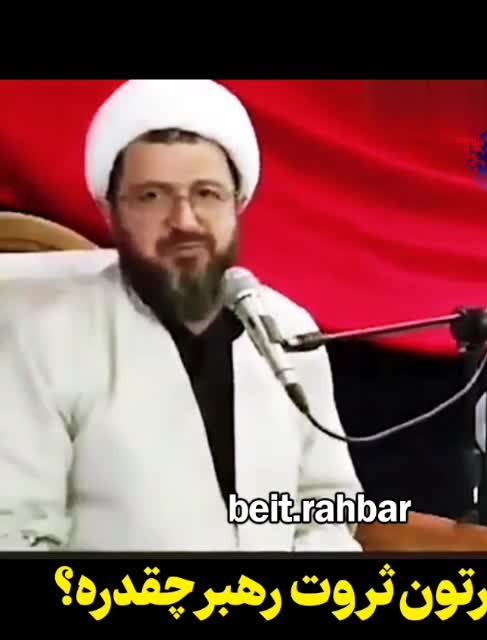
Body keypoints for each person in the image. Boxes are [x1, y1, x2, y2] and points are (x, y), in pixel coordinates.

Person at [0, 80, 363, 551]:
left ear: (238, 203)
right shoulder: (45, 335)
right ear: (109, 211)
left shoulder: (287, 331)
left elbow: (326, 511)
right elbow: (17, 533)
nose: (185, 221)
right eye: (152, 196)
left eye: (207, 194)